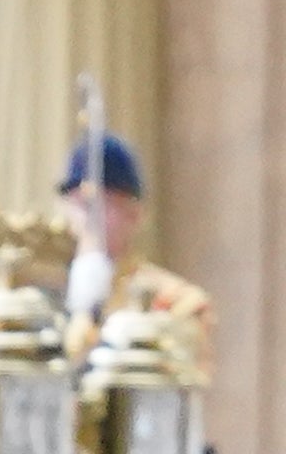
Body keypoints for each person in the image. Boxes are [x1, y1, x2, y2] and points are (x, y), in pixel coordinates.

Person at [60, 132, 213, 379]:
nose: (91, 219)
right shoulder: (48, 292)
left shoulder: (176, 301)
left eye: (105, 205)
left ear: (135, 214)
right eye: (82, 205)